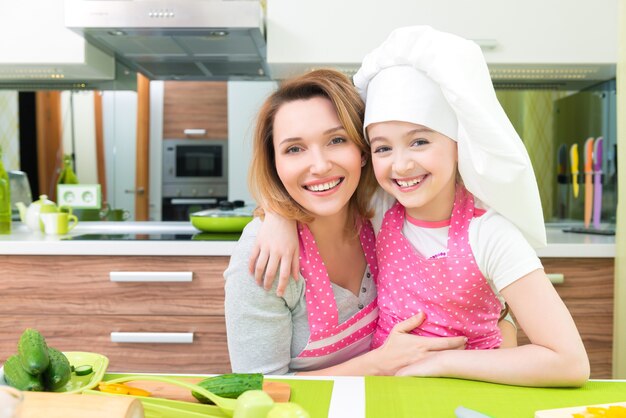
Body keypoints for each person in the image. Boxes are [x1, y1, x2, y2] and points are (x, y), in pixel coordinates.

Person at [250, 26, 589, 387]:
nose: (401, 165)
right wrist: (276, 215)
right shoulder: (379, 211)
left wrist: (442, 363)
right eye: (382, 148)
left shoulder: (490, 234)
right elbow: (312, 190)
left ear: (458, 144)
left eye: (420, 141)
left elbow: (569, 363)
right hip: (391, 396)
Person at [224, 68, 468, 375]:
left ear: (363, 151)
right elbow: (259, 389)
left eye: (336, 140)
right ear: (275, 164)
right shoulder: (264, 257)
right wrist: (378, 364)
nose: (320, 165)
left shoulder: (384, 213)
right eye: (294, 149)